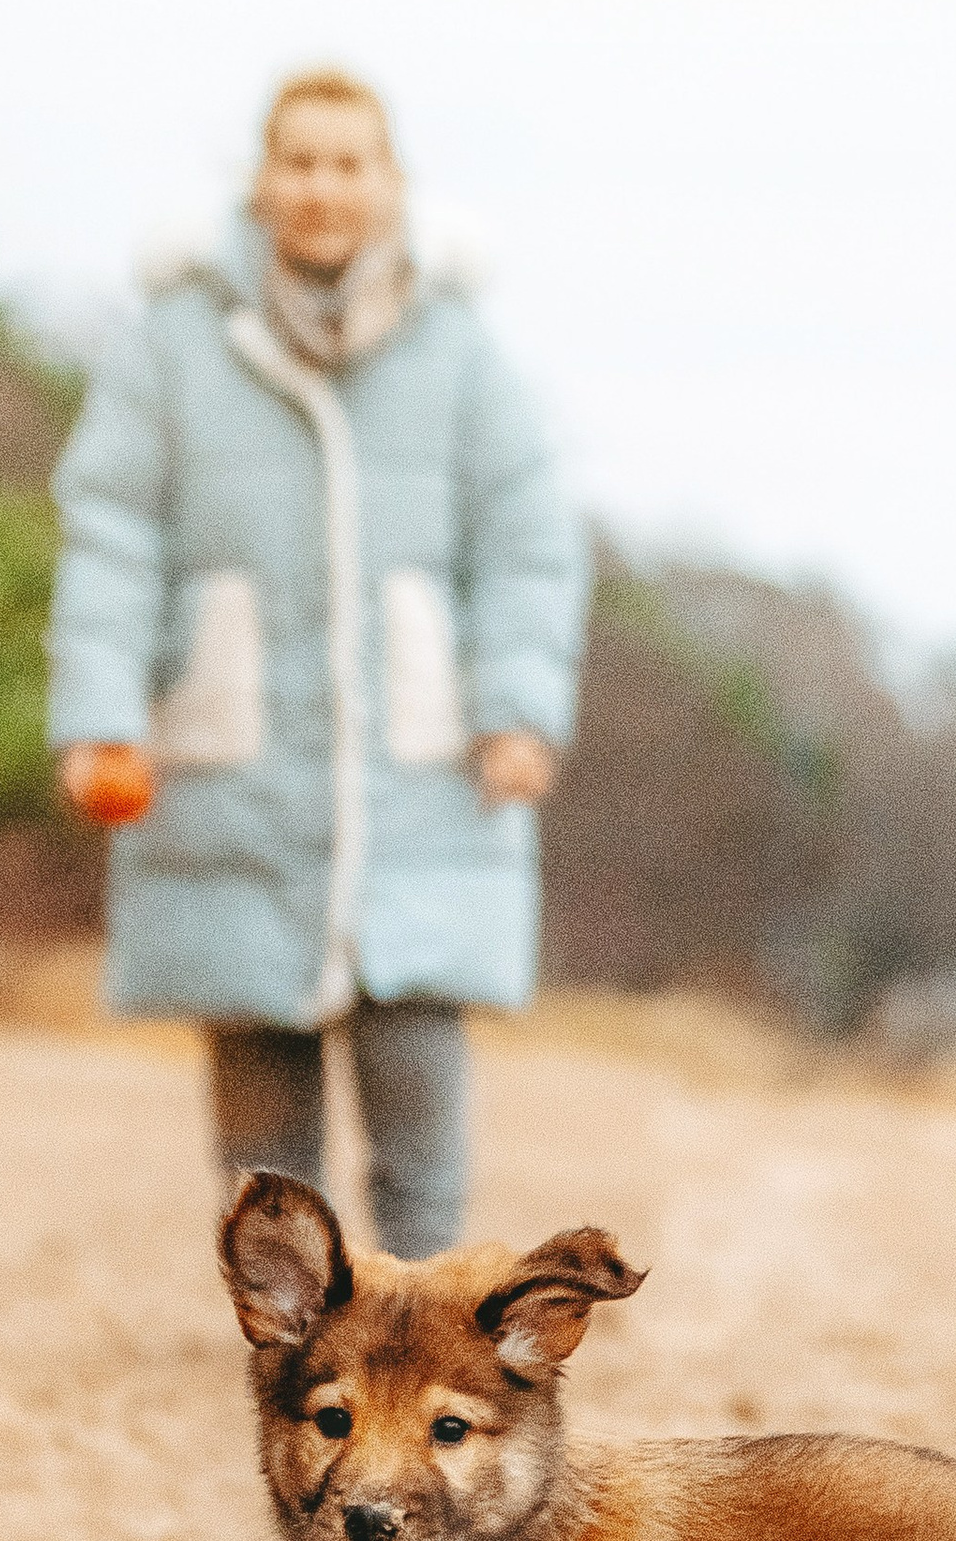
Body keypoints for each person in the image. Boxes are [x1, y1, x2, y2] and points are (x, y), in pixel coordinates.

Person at [47, 71, 584, 1256]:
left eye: (348, 163)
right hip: (235, 758)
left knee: (418, 1093)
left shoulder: (460, 350)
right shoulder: (171, 344)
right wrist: (100, 713)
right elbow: (111, 535)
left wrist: (517, 707)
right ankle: (282, 1328)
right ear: (259, 178)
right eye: (298, 161)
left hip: (423, 771)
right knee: (260, 1115)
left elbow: (527, 545)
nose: (321, 187)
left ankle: (430, 1320)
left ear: (390, 183)